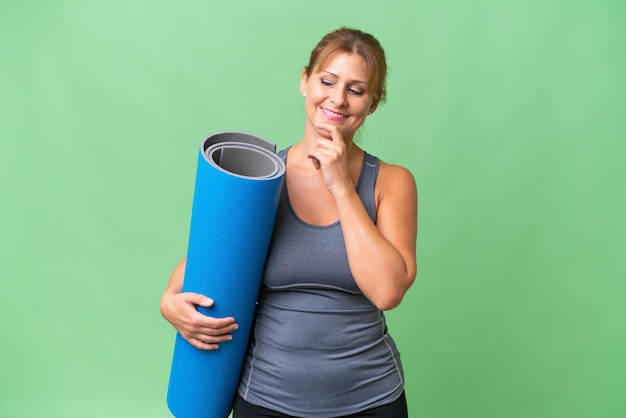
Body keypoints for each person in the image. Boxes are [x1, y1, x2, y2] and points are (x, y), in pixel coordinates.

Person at [161, 27, 418, 418]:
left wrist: (342, 187)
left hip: (371, 400)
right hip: (265, 399)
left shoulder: (392, 182)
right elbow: (199, 271)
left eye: (356, 89)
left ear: (373, 103)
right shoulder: (262, 182)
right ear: (305, 82)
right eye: (327, 81)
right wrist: (169, 304)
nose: (337, 98)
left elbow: (387, 292)